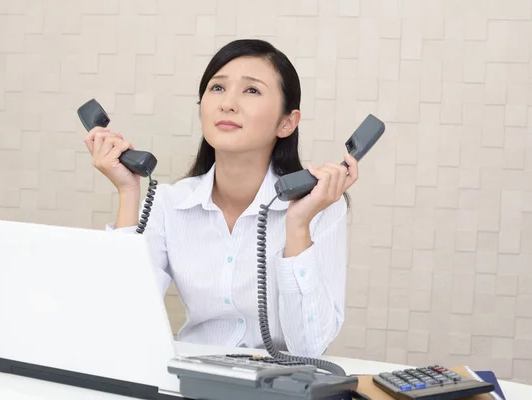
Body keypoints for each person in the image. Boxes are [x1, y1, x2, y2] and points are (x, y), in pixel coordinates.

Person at [83, 39, 359, 357]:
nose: (227, 103)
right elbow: (121, 320)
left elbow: (309, 346)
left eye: (251, 90)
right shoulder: (168, 203)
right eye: (217, 88)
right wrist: (129, 192)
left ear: (287, 122)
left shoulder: (321, 207)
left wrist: (297, 225)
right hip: (192, 378)